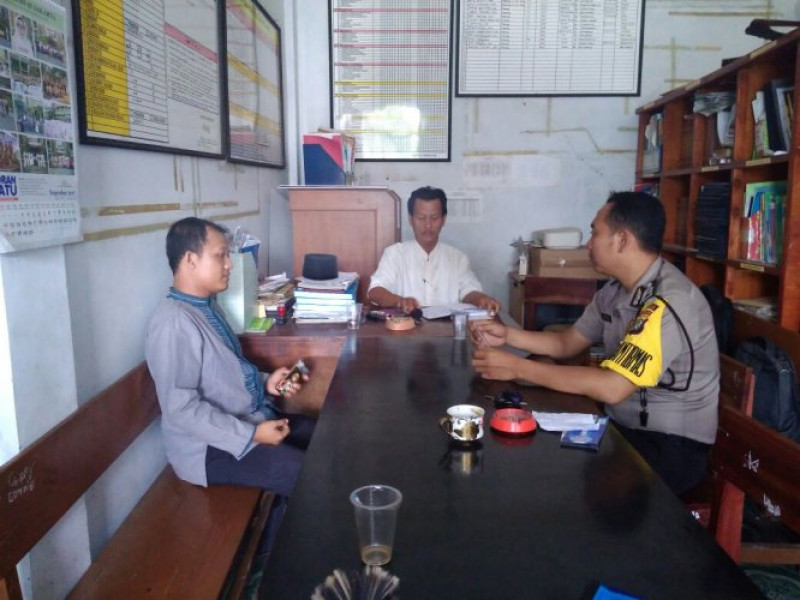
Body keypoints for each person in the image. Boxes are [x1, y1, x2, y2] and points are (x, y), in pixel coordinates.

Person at [472, 191, 719, 495]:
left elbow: (613, 387)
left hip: (669, 444)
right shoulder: (614, 291)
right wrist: (508, 335)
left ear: (622, 240)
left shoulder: (667, 301)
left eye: (595, 233)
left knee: (560, 485)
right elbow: (566, 343)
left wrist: (517, 368)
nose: (589, 244)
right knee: (538, 464)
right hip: (623, 427)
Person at [145, 217, 314, 556]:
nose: (229, 265)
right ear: (190, 260)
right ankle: (273, 568)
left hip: (245, 423)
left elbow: (227, 372)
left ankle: (278, 538)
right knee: (307, 477)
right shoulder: (174, 322)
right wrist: (252, 435)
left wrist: (268, 382)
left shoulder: (206, 307)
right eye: (220, 255)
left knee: (324, 437)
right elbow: (181, 410)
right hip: (209, 449)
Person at [367, 186, 500, 314]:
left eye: (434, 218)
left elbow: (469, 290)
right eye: (421, 218)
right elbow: (375, 291)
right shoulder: (394, 254)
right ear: (411, 220)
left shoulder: (458, 258)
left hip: (447, 328)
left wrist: (481, 299)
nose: (428, 225)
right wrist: (400, 301)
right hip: (406, 327)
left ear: (443, 220)